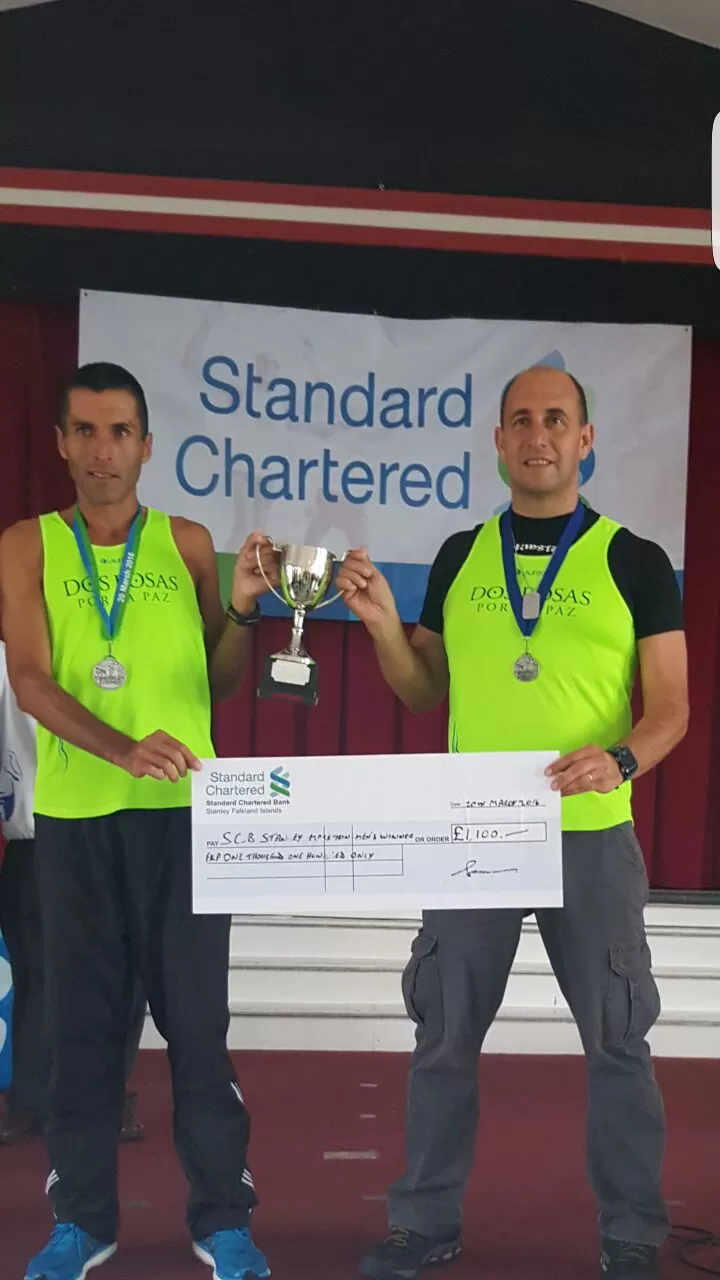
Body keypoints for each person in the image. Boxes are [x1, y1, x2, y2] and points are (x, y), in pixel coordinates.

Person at [336, 365, 689, 1280]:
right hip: (471, 832)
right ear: (497, 443)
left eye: (557, 419)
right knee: (444, 1034)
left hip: (589, 832)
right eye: (521, 420)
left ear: (586, 440)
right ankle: (425, 1222)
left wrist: (617, 759)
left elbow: (672, 710)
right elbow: (422, 692)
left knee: (617, 1037)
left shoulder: (634, 560)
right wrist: (379, 627)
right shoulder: (459, 556)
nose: (539, 434)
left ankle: (633, 1236)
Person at [0, 362, 278, 1280]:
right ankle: (82, 1220)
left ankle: (223, 1220)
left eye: (120, 432)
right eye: (84, 431)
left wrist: (241, 608)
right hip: (75, 822)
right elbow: (32, 683)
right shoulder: (27, 545)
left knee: (198, 1027)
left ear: (148, 445)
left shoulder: (190, 543)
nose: (102, 450)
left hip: (183, 823)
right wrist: (120, 749)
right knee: (82, 1033)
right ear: (60, 442)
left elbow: (223, 679)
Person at [0, 639, 146, 1146]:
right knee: (38, 973)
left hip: (124, 828)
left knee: (126, 972)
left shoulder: (122, 645)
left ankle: (112, 1093)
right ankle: (32, 1098)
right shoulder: (7, 660)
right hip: (37, 841)